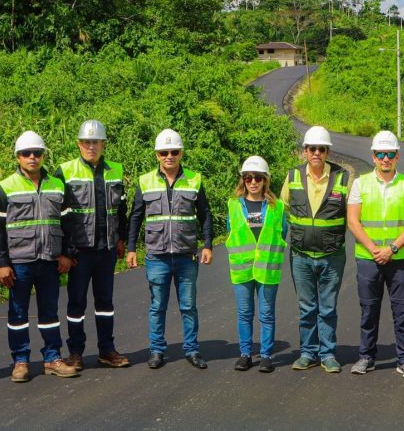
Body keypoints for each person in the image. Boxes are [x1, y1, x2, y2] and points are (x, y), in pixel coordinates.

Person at [0, 131, 79, 382]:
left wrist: (66, 254)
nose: (32, 157)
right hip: (19, 262)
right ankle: (20, 361)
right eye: (26, 153)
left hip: (50, 260)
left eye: (37, 153)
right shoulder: (6, 187)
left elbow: (69, 224)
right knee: (18, 315)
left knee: (49, 312)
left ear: (43, 156)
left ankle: (52, 358)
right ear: (17, 157)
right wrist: (2, 263)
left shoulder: (57, 185)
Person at [126, 128, 214, 370]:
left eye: (174, 151)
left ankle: (192, 350)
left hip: (187, 255)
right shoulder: (145, 181)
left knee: (188, 306)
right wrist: (131, 248)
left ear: (181, 153)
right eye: (164, 152)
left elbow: (205, 214)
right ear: (157, 155)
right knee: (157, 307)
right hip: (157, 256)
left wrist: (207, 245)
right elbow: (136, 216)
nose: (169, 156)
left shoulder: (194, 179)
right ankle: (157, 350)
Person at [54, 120, 130, 370]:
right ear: (78, 144)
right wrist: (64, 251)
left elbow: (122, 209)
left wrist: (121, 239)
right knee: (76, 304)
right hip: (79, 252)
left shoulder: (115, 170)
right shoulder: (65, 172)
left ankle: (107, 350)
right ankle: (75, 352)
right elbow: (57, 215)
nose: (91, 146)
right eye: (86, 142)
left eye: (95, 142)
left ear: (103, 144)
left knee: (105, 304)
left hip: (106, 249)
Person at [347, 130, 404, 378]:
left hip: (398, 259)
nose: (385, 158)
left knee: (402, 311)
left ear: (398, 156)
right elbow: (353, 221)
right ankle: (366, 357)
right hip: (369, 258)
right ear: (374, 156)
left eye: (390, 154)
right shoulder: (360, 183)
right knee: (369, 310)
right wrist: (373, 249)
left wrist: (392, 249)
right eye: (381, 154)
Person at [280, 126, 350, 373]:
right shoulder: (293, 177)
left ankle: (328, 353)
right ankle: (308, 352)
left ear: (327, 151)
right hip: (301, 255)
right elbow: (283, 210)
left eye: (321, 149)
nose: (317, 153)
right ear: (305, 151)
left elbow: (353, 216)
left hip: (332, 256)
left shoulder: (343, 178)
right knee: (307, 308)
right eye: (312, 149)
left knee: (328, 307)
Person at [226, 156, 288, 373]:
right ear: (243, 180)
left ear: (265, 180)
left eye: (258, 178)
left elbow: (283, 233)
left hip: (267, 269)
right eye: (248, 177)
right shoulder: (233, 205)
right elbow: (230, 232)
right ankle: (245, 354)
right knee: (244, 313)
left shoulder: (278, 207)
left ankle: (266, 356)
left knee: (266, 314)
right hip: (242, 269)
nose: (253, 182)